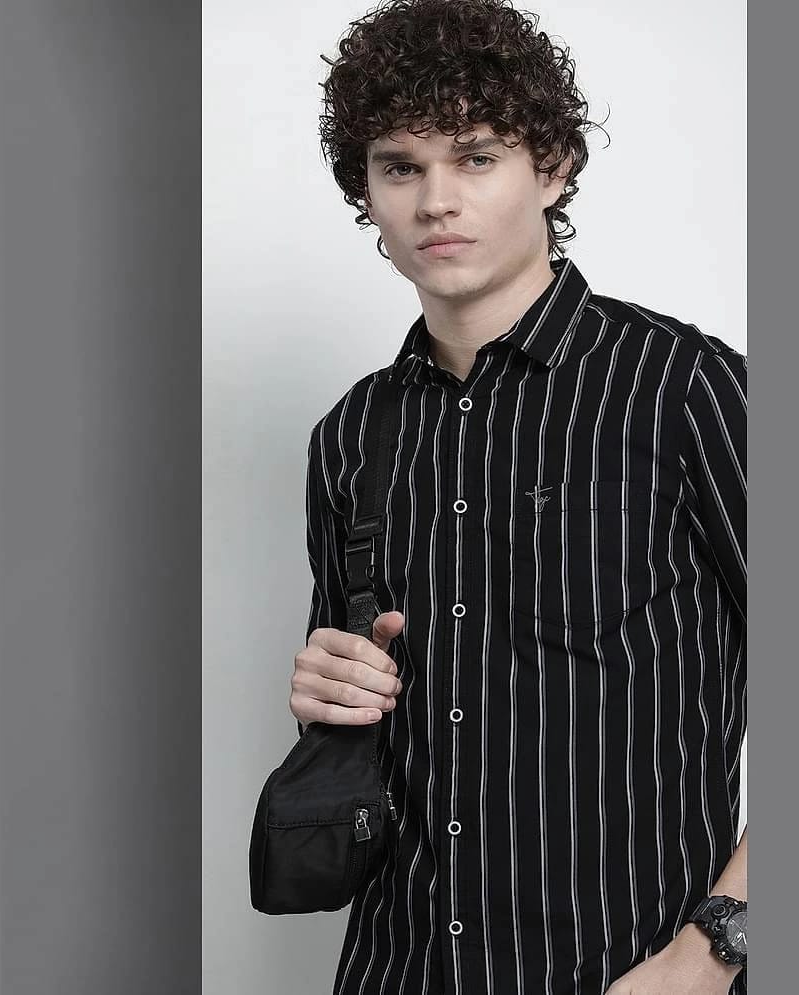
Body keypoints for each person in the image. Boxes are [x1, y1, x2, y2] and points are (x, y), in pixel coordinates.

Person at [288, 2, 747, 992]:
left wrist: (717, 947)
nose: (435, 201)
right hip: (400, 965)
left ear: (553, 167)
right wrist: (330, 696)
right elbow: (362, 731)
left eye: (477, 156)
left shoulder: (686, 388)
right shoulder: (350, 435)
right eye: (400, 166)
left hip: (629, 968)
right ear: (367, 193)